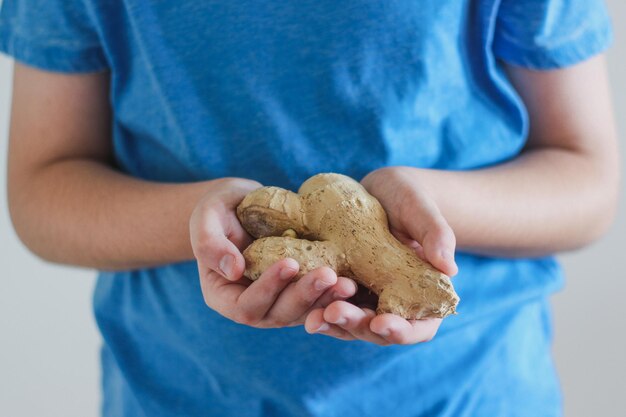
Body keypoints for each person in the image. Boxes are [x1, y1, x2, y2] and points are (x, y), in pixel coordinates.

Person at [0, 0, 619, 416]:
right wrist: (207, 224)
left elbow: (586, 180)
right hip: (177, 392)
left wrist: (428, 210)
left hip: (471, 393)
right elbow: (42, 190)